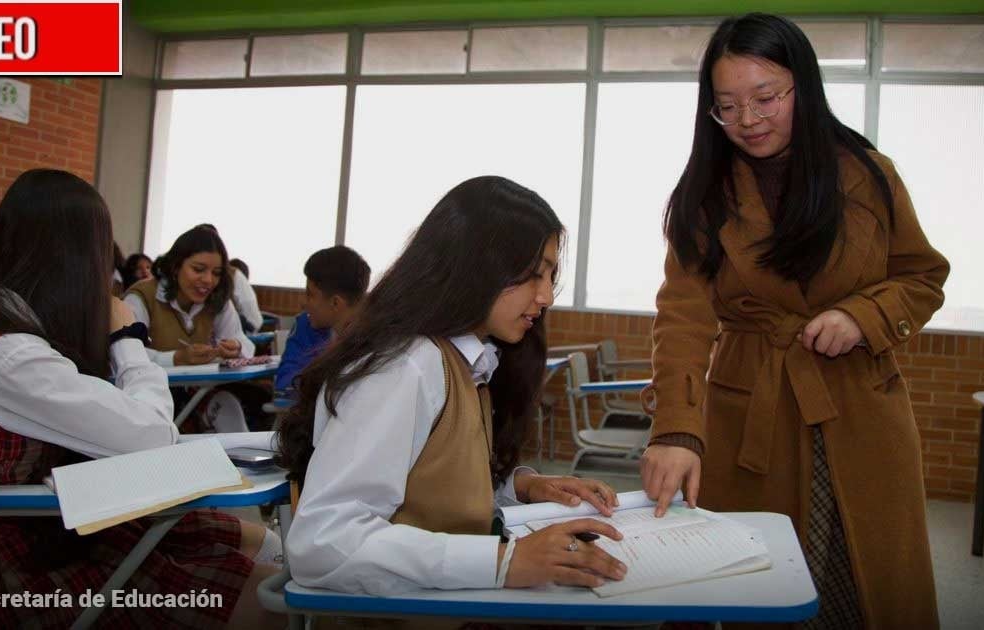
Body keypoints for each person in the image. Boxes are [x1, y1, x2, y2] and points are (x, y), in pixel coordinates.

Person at [641, 13, 949, 629]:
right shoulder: (706, 192)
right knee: (753, 583)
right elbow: (683, 315)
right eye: (727, 106)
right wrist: (676, 428)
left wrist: (864, 315)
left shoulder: (869, 174)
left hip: (860, 405)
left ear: (803, 87)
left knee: (866, 580)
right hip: (750, 405)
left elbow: (923, 276)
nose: (747, 121)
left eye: (765, 98)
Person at [0, 169, 283, 628]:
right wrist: (126, 338)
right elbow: (153, 435)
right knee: (277, 597)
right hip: (33, 555)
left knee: (261, 543)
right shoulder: (11, 354)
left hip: (64, 516)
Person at [279, 176, 628, 608]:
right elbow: (322, 542)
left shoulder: (469, 358)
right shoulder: (407, 364)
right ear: (473, 267)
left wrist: (523, 487)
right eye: (532, 274)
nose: (545, 295)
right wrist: (503, 562)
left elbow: (430, 486)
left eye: (551, 274)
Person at [124, 227, 254, 367]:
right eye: (198, 269)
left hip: (203, 388)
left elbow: (243, 341)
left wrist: (237, 347)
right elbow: (124, 353)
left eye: (216, 273)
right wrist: (175, 358)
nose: (208, 280)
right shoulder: (141, 297)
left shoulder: (217, 297)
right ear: (175, 266)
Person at [274, 246, 370, 393]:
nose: (303, 302)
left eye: (310, 294)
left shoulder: (375, 337)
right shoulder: (304, 326)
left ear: (335, 303)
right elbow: (284, 381)